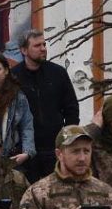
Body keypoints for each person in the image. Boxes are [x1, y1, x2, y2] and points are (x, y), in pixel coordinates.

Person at [11, 31, 79, 181]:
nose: (43, 48)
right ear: (24, 50)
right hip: (25, 153)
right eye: (37, 45)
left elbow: (71, 109)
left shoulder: (58, 73)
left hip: (54, 149)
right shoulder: (13, 77)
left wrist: (67, 141)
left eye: (44, 44)